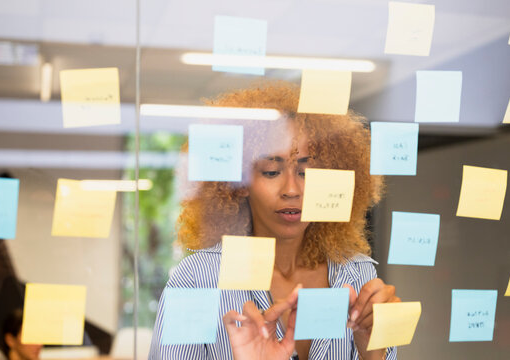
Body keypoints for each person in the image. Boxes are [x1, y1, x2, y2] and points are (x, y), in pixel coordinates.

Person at [149, 82, 400, 360]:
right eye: (271, 171)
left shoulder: (358, 275)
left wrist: (372, 351)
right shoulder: (198, 280)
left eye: (305, 172)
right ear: (239, 181)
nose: (291, 189)